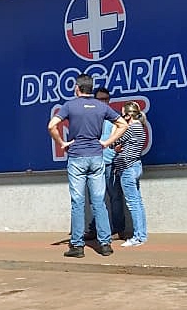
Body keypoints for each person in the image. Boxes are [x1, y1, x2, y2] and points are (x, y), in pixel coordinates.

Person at [48, 74, 127, 258]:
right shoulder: (101, 106)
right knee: (99, 202)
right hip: (96, 157)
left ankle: (77, 246)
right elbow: (122, 124)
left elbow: (52, 125)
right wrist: (107, 142)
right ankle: (105, 244)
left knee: (78, 202)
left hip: (76, 157)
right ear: (91, 88)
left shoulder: (70, 105)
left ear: (77, 87)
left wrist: (62, 143)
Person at [84, 87, 125, 241]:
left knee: (115, 197)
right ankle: (95, 229)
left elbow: (122, 138)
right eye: (100, 99)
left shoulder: (114, 118)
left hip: (110, 162)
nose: (104, 102)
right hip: (93, 162)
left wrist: (115, 156)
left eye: (106, 99)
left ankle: (118, 229)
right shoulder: (88, 117)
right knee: (95, 199)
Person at [113, 101, 149, 247]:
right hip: (135, 166)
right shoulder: (139, 127)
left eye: (123, 114)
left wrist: (116, 144)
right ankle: (142, 235)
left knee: (133, 203)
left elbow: (113, 141)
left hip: (128, 168)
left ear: (128, 115)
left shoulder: (131, 128)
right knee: (137, 202)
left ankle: (138, 237)